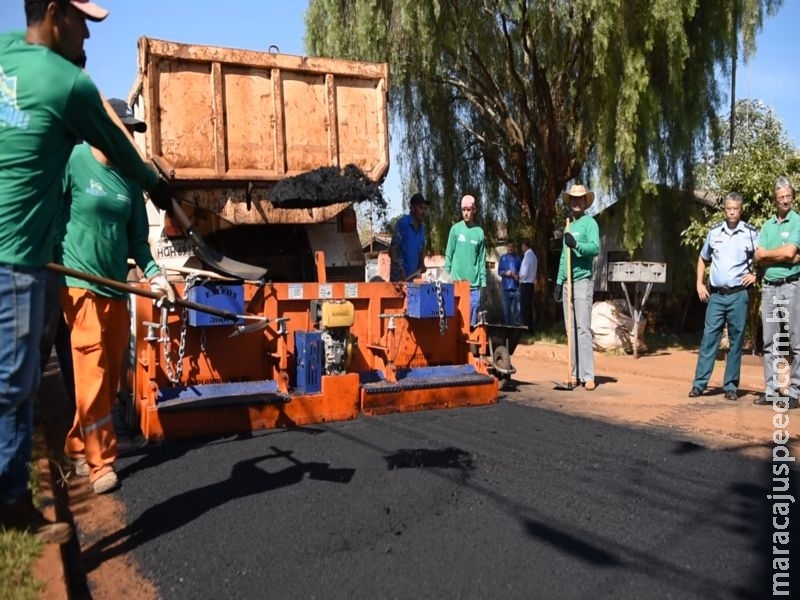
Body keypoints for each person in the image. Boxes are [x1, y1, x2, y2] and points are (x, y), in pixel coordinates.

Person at [0, 0, 174, 543]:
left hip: (104, 285)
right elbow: (65, 191)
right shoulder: (74, 129)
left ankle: (55, 468)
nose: (89, 37)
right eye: (81, 23)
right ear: (54, 14)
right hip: (54, 273)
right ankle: (85, 468)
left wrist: (154, 274)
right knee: (42, 377)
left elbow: (133, 240)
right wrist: (158, 186)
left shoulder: (121, 184)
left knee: (45, 380)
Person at [60, 99, 176, 494]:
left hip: (115, 288)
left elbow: (138, 242)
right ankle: (99, 464)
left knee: (108, 381)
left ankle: (78, 444)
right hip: (78, 285)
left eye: (132, 131)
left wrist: (157, 274)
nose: (128, 137)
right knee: (90, 371)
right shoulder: (73, 162)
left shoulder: (129, 180)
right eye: (123, 129)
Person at [687, 192, 758, 401]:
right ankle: (699, 384)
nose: (732, 212)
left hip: (738, 295)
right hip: (716, 296)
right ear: (724, 210)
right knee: (709, 339)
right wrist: (699, 283)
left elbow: (761, 256)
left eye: (736, 208)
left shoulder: (751, 233)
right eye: (729, 209)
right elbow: (702, 258)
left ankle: (730, 387)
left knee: (736, 342)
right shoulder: (714, 232)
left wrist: (755, 274)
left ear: (741, 210)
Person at [753, 176, 800, 410]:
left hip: (791, 285)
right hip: (769, 287)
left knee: (795, 342)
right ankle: (771, 390)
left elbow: (791, 251)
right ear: (775, 199)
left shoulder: (798, 222)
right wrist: (781, 255)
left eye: (788, 196)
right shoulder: (767, 225)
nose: (785, 200)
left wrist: (771, 254)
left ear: (792, 197)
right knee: (769, 342)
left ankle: (794, 392)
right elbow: (757, 256)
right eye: (781, 197)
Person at [554, 184, 600, 390]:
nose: (576, 202)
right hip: (568, 283)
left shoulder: (590, 223)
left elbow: (595, 248)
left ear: (585, 202)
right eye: (573, 199)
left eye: (579, 199)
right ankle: (573, 374)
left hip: (582, 282)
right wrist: (558, 281)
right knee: (570, 329)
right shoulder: (568, 226)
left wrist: (577, 245)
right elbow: (565, 257)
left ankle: (588, 375)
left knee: (582, 328)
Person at [444, 194, 486, 327]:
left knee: (471, 327)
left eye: (469, 209)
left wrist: (483, 284)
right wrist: (446, 279)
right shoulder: (455, 230)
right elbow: (448, 255)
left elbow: (481, 260)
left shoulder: (479, 232)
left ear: (474, 210)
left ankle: (471, 347)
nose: (466, 213)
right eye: (463, 210)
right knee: (455, 325)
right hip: (456, 286)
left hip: (473, 288)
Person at [389, 192, 429, 282]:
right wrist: (400, 271)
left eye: (425, 209)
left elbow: (421, 248)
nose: (424, 212)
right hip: (399, 281)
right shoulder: (403, 224)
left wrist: (422, 264)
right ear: (412, 208)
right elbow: (393, 250)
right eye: (421, 208)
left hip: (412, 279)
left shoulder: (422, 228)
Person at [497, 240, 521, 325]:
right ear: (507, 247)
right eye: (509, 246)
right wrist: (505, 273)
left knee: (517, 311)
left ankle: (517, 329)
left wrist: (517, 275)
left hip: (516, 288)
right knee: (507, 311)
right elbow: (499, 271)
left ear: (514, 248)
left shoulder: (518, 259)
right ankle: (508, 328)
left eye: (512, 246)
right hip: (506, 288)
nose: (511, 248)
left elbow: (521, 273)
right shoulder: (502, 258)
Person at [518, 239, 538, 333]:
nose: (521, 248)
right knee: (529, 307)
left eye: (522, 246)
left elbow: (524, 272)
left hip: (526, 284)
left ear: (525, 245)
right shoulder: (534, 256)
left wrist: (519, 277)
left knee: (525, 308)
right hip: (531, 284)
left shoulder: (527, 256)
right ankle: (530, 328)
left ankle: (527, 329)